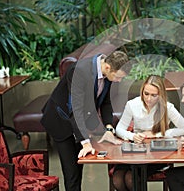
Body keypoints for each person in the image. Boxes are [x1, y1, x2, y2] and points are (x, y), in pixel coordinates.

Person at [40, 51, 129, 191]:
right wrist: (85, 142)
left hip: (79, 120)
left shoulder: (108, 73)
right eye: (118, 77)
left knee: (79, 166)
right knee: (72, 173)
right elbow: (75, 110)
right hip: (61, 120)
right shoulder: (79, 71)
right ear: (107, 67)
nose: (118, 81)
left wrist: (109, 129)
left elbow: (105, 103)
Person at [113, 75, 184, 191]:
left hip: (157, 153)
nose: (148, 99)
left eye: (154, 95)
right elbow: (119, 129)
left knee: (130, 178)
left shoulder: (167, 107)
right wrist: (133, 136)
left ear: (160, 95)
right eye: (146, 93)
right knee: (117, 179)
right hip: (135, 151)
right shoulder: (132, 105)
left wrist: (159, 134)